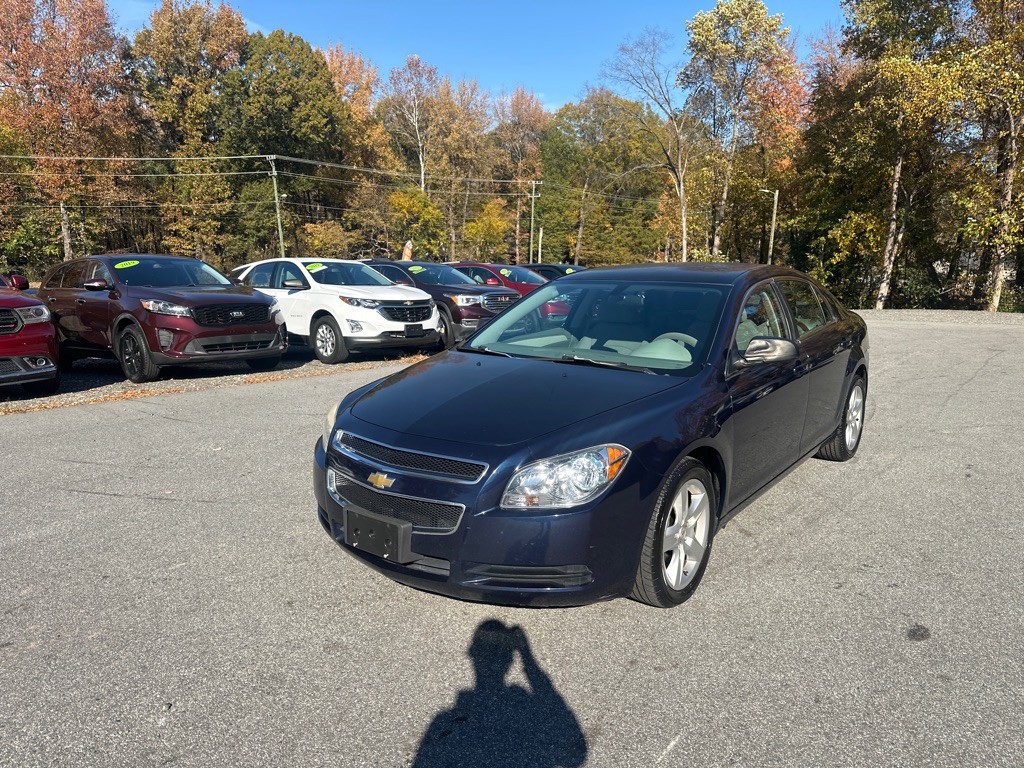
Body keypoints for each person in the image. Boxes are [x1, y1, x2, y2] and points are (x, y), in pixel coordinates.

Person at [413, 620, 587, 768]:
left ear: (472, 654)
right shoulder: (444, 719)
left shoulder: (442, 719)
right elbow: (575, 751)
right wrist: (527, 657)